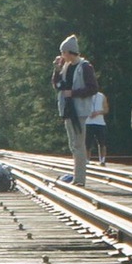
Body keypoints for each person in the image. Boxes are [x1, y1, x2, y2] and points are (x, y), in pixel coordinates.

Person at [52, 35, 96, 185]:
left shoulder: (85, 67)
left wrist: (74, 93)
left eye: (63, 52)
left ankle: (79, 179)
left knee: (79, 144)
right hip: (68, 109)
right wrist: (57, 70)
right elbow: (57, 85)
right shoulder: (65, 67)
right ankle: (77, 177)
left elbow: (93, 88)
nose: (61, 55)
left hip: (79, 110)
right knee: (73, 145)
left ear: (69, 52)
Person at [83, 86, 110, 164]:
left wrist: (98, 112)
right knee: (87, 143)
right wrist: (88, 113)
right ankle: (87, 160)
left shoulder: (102, 96)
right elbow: (82, 108)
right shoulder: (86, 96)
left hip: (100, 123)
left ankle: (102, 160)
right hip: (88, 122)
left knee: (102, 143)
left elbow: (106, 109)